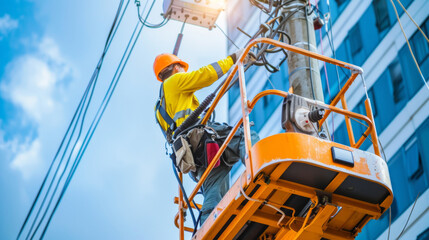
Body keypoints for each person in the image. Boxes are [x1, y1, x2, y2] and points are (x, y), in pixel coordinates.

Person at [153, 52, 259, 225]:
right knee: (244, 135)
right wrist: (234, 58)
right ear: (175, 68)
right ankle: (260, 168)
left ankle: (209, 228)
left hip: (192, 154)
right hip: (198, 138)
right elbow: (205, 75)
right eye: (181, 68)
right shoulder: (173, 82)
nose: (183, 71)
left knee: (214, 186)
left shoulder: (160, 106)